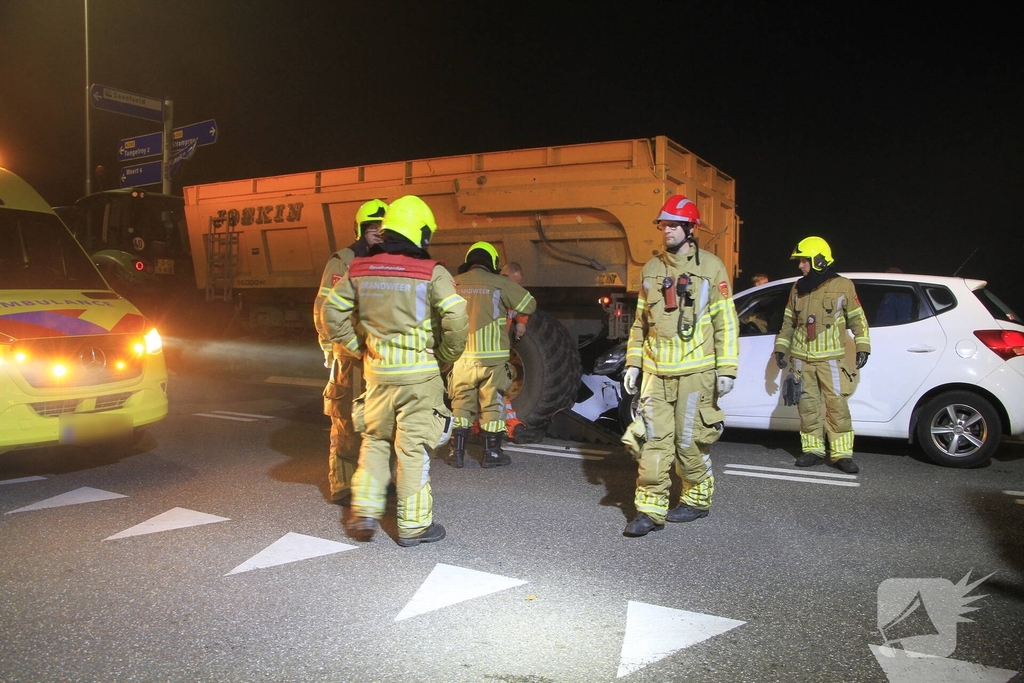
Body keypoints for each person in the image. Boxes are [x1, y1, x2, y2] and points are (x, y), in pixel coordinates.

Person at [322, 195, 468, 546]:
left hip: (377, 376)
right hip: (419, 378)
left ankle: (365, 509)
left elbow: (330, 314)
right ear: (420, 233)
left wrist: (358, 348)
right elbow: (457, 316)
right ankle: (414, 527)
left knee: (374, 441)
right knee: (413, 448)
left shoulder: (358, 270)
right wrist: (446, 355)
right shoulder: (432, 272)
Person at [620, 195, 739, 537]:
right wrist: (633, 362)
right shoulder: (651, 269)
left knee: (689, 443)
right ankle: (649, 509)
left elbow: (726, 322)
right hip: (656, 374)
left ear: (690, 229)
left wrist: (727, 368)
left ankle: (696, 499)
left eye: (673, 224)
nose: (666, 230)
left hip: (695, 374)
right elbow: (640, 322)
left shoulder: (711, 268)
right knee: (653, 442)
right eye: (663, 224)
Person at [773, 236, 870, 474]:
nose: (800, 266)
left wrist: (863, 345)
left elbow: (857, 318)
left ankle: (841, 454)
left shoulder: (843, 285)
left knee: (837, 406)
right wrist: (780, 348)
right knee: (807, 406)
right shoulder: (798, 287)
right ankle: (813, 450)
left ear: (818, 260)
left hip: (830, 359)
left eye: (804, 261)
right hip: (800, 359)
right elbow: (788, 321)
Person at [312, 199, 387, 505]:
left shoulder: (394, 261)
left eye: (384, 229)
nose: (378, 234)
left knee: (382, 422)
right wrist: (331, 347)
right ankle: (342, 483)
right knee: (345, 420)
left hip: (383, 358)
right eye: (372, 229)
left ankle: (380, 480)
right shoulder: (343, 261)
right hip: (350, 356)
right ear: (360, 230)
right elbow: (324, 309)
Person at [447, 243, 536, 468]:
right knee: (492, 406)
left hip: (462, 359)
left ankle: (455, 453)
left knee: (461, 405)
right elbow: (529, 304)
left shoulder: (454, 282)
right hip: (492, 362)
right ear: (494, 263)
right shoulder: (500, 283)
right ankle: (492, 454)